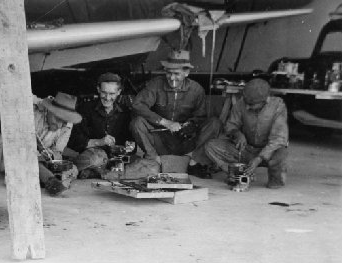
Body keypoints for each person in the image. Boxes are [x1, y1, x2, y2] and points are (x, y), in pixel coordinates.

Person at [130, 50, 221, 178]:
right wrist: (165, 122)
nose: (172, 78)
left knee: (214, 123)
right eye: (168, 73)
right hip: (160, 140)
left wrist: (191, 124)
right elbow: (137, 105)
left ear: (186, 72)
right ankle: (153, 160)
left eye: (176, 74)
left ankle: (194, 162)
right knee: (137, 122)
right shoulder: (156, 84)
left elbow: (201, 116)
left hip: (185, 142)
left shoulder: (196, 89)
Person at [0, 92, 82, 195]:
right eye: (57, 119)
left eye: (64, 122)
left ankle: (46, 178)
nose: (59, 125)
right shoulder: (32, 109)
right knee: (26, 158)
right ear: (49, 109)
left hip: (39, 160)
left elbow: (58, 151)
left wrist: (51, 155)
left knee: (72, 169)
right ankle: (49, 180)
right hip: (10, 152)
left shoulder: (67, 125)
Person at [205, 78, 288, 189]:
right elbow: (230, 125)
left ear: (265, 101)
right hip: (246, 150)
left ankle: (275, 179)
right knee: (211, 146)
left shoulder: (278, 106)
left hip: (268, 151)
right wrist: (237, 133)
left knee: (280, 152)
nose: (248, 107)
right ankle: (235, 173)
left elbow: (279, 139)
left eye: (252, 104)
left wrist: (259, 158)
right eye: (246, 102)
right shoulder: (241, 104)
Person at [68, 72, 133, 178]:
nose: (107, 98)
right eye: (104, 92)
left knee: (142, 165)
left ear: (119, 92)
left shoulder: (125, 112)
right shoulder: (85, 109)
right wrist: (99, 142)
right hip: (93, 156)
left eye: (112, 94)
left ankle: (96, 172)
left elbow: (131, 144)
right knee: (95, 158)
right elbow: (74, 141)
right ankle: (99, 171)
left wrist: (123, 149)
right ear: (98, 89)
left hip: (116, 158)